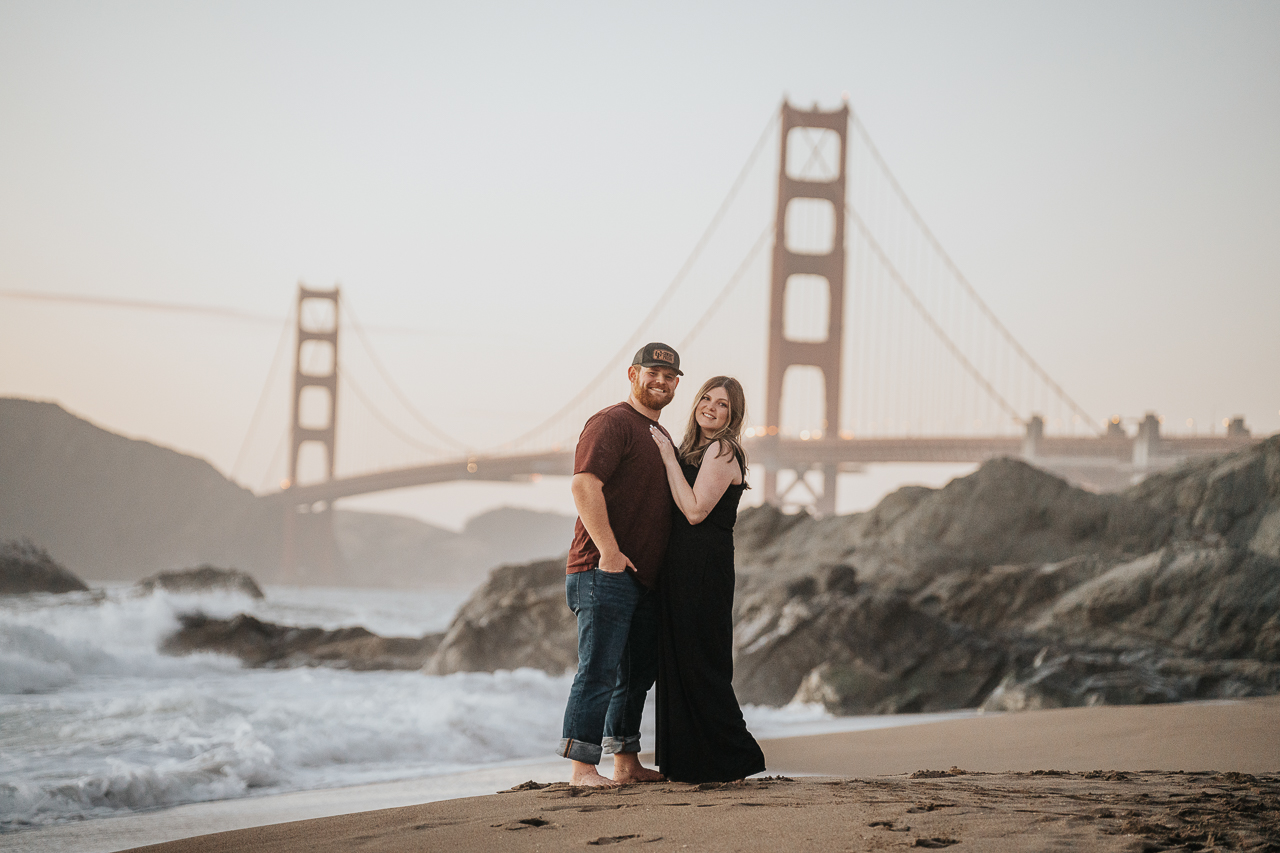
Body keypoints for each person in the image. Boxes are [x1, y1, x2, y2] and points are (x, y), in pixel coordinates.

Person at [558, 342, 683, 787]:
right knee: (598, 668)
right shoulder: (612, 422)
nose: (661, 382)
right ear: (632, 374)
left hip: (643, 579)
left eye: (669, 377)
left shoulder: (663, 437)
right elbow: (583, 484)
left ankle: (625, 763)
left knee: (635, 675)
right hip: (601, 569)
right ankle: (582, 768)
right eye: (653, 373)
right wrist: (609, 551)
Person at [648, 376, 766, 783]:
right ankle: (690, 762)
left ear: (733, 419)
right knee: (680, 660)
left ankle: (735, 757)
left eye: (724, 406)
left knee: (701, 662)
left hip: (703, 569)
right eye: (707, 399)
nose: (712, 408)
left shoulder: (723, 448)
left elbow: (696, 510)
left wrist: (666, 458)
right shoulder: (693, 449)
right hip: (681, 566)